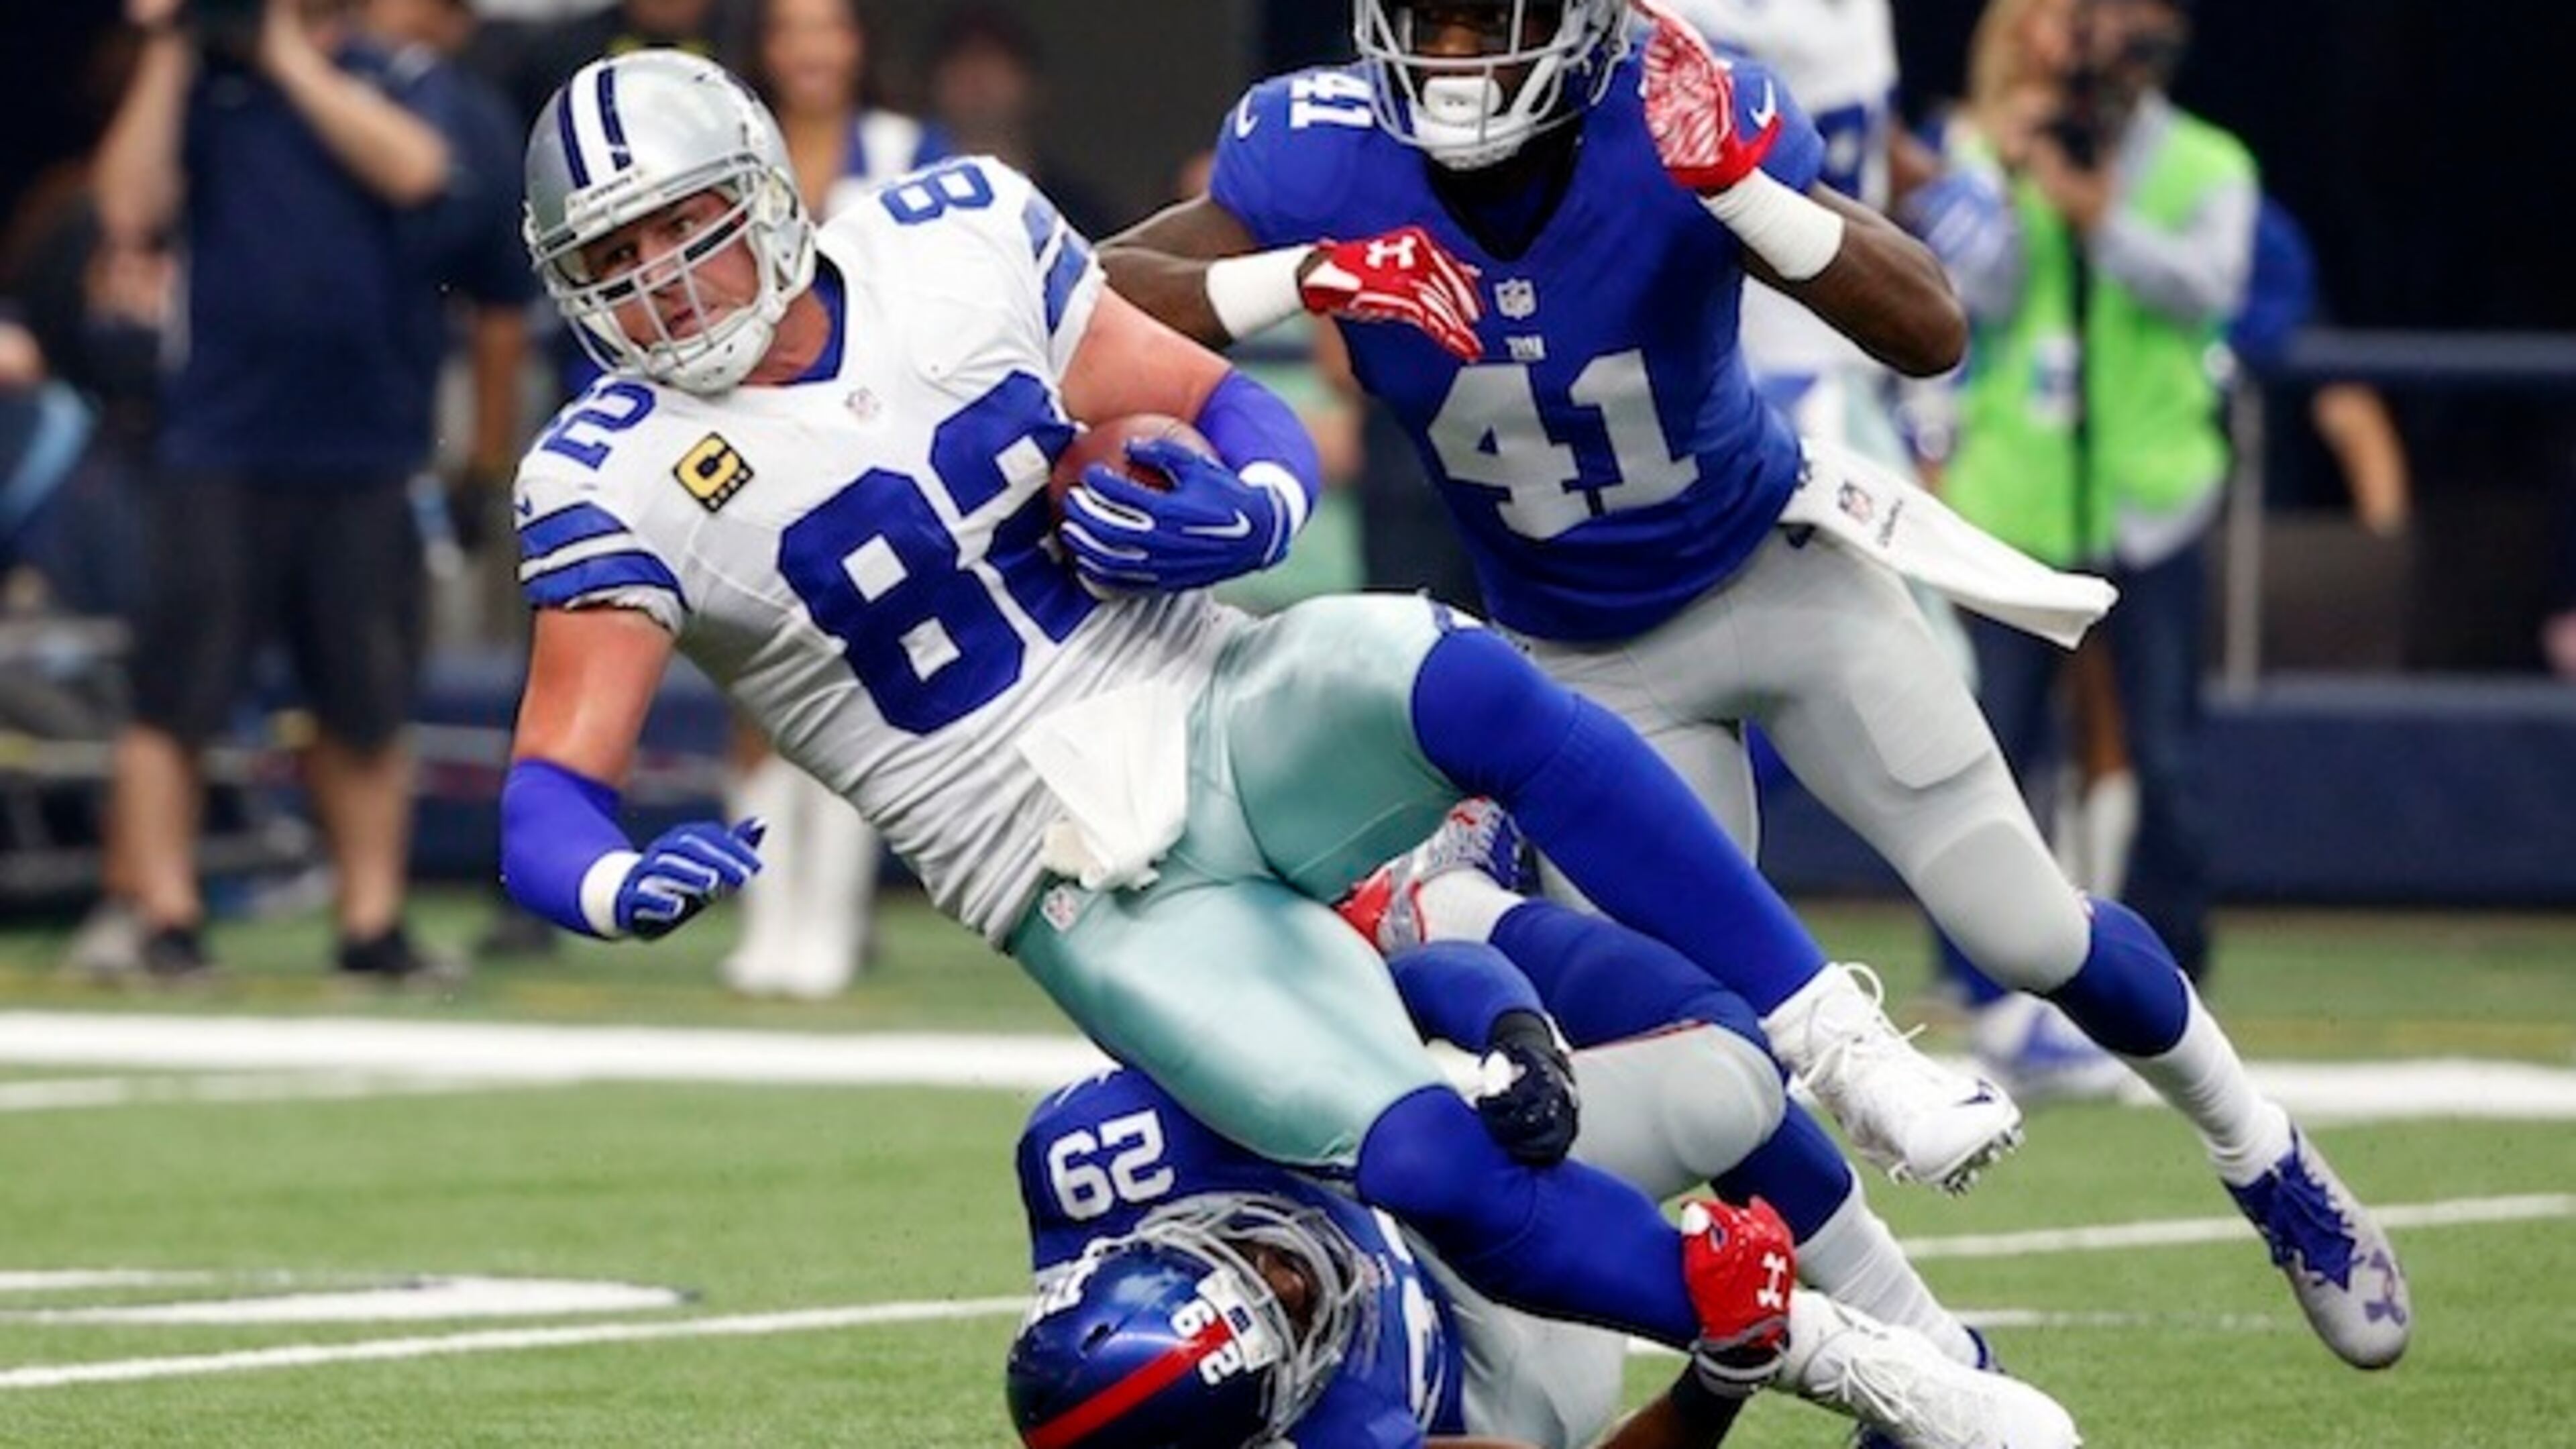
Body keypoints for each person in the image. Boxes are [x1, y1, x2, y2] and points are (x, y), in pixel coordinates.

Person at [497, 47, 2027, 1393]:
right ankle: (1843, 1360)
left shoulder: (948, 234)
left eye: (679, 232)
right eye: (613, 258)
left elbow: (1230, 408)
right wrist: (609, 879)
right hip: (1074, 871)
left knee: (1473, 690)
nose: (658, 285)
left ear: (761, 194)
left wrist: (1252, 513)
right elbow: (546, 795)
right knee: (1430, 1155)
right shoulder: (610, 471)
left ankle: (1836, 1035)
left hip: (1216, 696)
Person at [1095, 0, 2407, 1369]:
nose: (1458, 59)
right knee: (1707, 1058)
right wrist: (1297, 281)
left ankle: (2264, 1155)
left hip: (1782, 581)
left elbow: (1930, 327)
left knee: (2022, 929)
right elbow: (1091, 298)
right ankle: (1930, 1358)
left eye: (1492, 22)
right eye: (1433, 21)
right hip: (1586, 677)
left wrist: (1742, 194)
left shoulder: (1669, 115)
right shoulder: (1321, 155)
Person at [1004, 804, 2082, 1448]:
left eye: (1256, 1258)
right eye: (1291, 1318)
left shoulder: (1104, 1147)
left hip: (1434, 1176)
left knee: (1725, 1081)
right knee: (1724, 1096)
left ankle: (1450, 895)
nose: (1299, 1277)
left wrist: (1514, 1030)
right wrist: (1723, 1374)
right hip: (1495, 1369)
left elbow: (1402, 992)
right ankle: (1865, 1356)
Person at [90, 0, 520, 984]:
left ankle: (370, 921)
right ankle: (164, 915)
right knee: (175, 695)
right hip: (218, 440)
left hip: (367, 444)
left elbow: (416, 171)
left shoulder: (395, 75)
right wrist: (169, 46)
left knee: (366, 701)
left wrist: (286, 53)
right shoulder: (201, 88)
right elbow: (127, 207)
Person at [709, 0, 952, 999]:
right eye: (790, 30)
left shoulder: (906, 148)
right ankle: (764, 924)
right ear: (763, 49)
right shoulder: (719, 151)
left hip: (877, 447)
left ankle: (829, 929)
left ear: (858, 45)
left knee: (859, 680)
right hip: (743, 443)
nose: (811, 50)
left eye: (830, 28)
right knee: (752, 687)